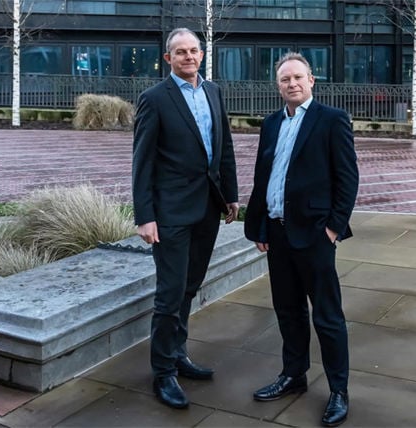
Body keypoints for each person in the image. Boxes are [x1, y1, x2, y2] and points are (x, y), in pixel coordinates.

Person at [244, 52, 358, 427]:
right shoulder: (272, 123)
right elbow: (265, 177)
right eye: (284, 80)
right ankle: (294, 376)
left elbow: (347, 178)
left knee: (327, 316)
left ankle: (339, 390)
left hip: (314, 235)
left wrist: (333, 228)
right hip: (277, 234)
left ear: (311, 81)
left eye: (297, 77)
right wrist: (259, 226)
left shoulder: (332, 120)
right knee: (288, 311)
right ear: (278, 86)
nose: (291, 84)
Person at [132, 27, 239, 410]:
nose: (189, 57)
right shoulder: (154, 99)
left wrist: (231, 197)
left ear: (202, 54)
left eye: (194, 50)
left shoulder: (212, 92)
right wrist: (145, 216)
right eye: (181, 52)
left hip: (207, 209)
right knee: (169, 294)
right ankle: (163, 372)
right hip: (171, 213)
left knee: (190, 288)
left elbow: (223, 147)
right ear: (168, 59)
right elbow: (142, 162)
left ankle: (177, 353)